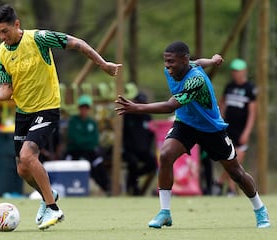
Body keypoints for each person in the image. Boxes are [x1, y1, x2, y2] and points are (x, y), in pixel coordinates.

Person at [0, 5, 121, 230]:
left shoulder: (39, 38)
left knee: (28, 156)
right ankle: (48, 194)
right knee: (22, 168)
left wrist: (103, 64)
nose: (2, 37)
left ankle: (53, 208)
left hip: (47, 108)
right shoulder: (0, 53)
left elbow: (78, 44)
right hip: (24, 113)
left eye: (5, 31)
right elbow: (7, 90)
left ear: (17, 24)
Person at [115, 41, 270, 229]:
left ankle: (260, 209)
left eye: (171, 61)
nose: (167, 66)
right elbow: (199, 62)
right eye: (165, 61)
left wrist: (137, 107)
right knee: (165, 155)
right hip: (186, 123)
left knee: (236, 173)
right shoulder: (180, 67)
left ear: (184, 60)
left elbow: (171, 105)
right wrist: (212, 60)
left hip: (211, 128)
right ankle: (165, 212)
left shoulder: (196, 80)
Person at [214, 58, 257, 196]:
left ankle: (225, 186)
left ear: (244, 71)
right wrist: (218, 122)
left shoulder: (249, 89)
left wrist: (247, 132)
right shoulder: (229, 86)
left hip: (241, 130)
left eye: (237, 70)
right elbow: (222, 105)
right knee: (230, 159)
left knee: (237, 160)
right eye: (233, 70)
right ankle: (226, 187)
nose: (235, 73)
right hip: (227, 128)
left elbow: (252, 113)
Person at [65, 95, 111, 194]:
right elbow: (73, 138)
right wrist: (85, 141)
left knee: (98, 165)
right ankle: (68, 189)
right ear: (79, 108)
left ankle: (106, 189)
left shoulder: (92, 123)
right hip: (74, 151)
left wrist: (83, 141)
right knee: (69, 165)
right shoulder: (74, 121)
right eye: (82, 107)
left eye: (86, 108)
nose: (84, 110)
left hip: (90, 152)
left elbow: (94, 140)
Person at [122, 92, 157, 195]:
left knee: (154, 163)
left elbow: (151, 134)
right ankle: (134, 187)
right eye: (139, 103)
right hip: (129, 150)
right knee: (133, 162)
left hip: (144, 151)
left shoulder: (148, 117)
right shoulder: (127, 116)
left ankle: (134, 177)